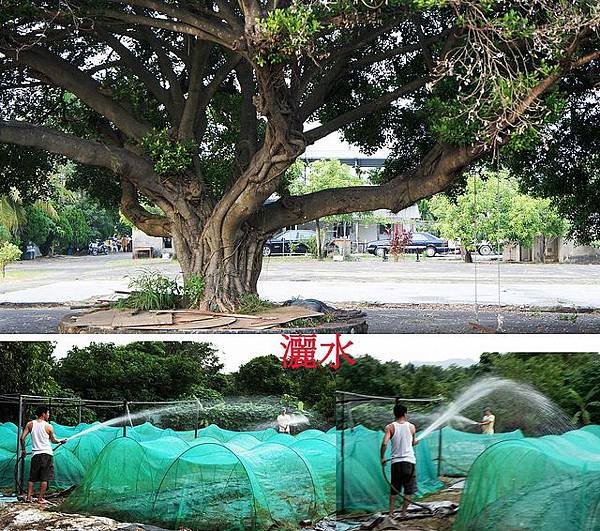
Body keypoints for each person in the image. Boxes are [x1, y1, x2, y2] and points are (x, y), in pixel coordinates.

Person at [20, 406, 67, 506]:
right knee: (44, 478)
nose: (49, 415)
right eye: (48, 413)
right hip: (47, 454)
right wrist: (61, 441)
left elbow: (22, 438)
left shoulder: (30, 424)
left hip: (35, 454)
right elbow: (53, 440)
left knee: (32, 478)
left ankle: (29, 497)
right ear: (43, 414)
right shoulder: (48, 426)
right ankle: (40, 498)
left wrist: (23, 450)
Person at [381, 403, 418, 519]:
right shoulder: (412, 427)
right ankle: (403, 512)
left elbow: (384, 443)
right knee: (409, 488)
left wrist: (382, 457)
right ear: (405, 414)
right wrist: (414, 443)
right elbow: (412, 442)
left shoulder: (390, 427)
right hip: (409, 462)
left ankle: (391, 513)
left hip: (396, 463)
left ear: (394, 414)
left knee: (394, 489)